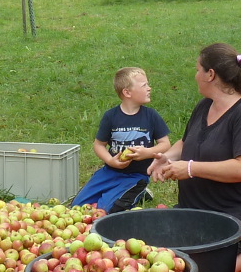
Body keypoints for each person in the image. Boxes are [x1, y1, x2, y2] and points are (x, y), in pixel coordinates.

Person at [148, 43, 241, 229]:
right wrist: (167, 158)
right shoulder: (205, 105)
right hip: (197, 211)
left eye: (197, 70)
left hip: (240, 216)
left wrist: (190, 168)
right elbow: (186, 141)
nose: (195, 76)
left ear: (210, 74)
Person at [71, 67, 171, 213]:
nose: (149, 88)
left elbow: (165, 144)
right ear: (127, 92)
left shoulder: (151, 116)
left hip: (136, 175)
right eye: (144, 85)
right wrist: (111, 161)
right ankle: (133, 192)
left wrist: (147, 152)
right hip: (109, 172)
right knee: (76, 207)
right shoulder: (111, 116)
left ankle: (139, 191)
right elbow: (99, 145)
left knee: (106, 210)